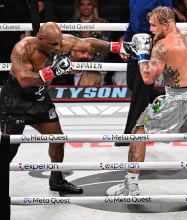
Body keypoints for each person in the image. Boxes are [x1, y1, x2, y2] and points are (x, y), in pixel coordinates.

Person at [0, 22, 134, 194]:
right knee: (10, 148)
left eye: (59, 42)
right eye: (53, 44)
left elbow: (90, 44)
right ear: (40, 39)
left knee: (57, 140)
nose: (57, 48)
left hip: (40, 99)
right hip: (16, 102)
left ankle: (56, 179)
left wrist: (119, 47)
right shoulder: (23, 48)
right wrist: (52, 72)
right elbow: (24, 79)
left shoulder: (63, 42)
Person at [106, 6, 187, 196]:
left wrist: (142, 54)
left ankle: (131, 186)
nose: (150, 29)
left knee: (138, 131)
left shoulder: (162, 46)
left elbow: (147, 78)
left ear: (165, 25)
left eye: (153, 25)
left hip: (178, 99)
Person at [115, 0, 173, 146]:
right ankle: (165, 97)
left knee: (140, 91)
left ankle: (130, 134)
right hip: (136, 43)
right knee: (132, 83)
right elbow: (132, 21)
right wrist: (126, 43)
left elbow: (168, 18)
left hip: (152, 43)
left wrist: (159, 42)